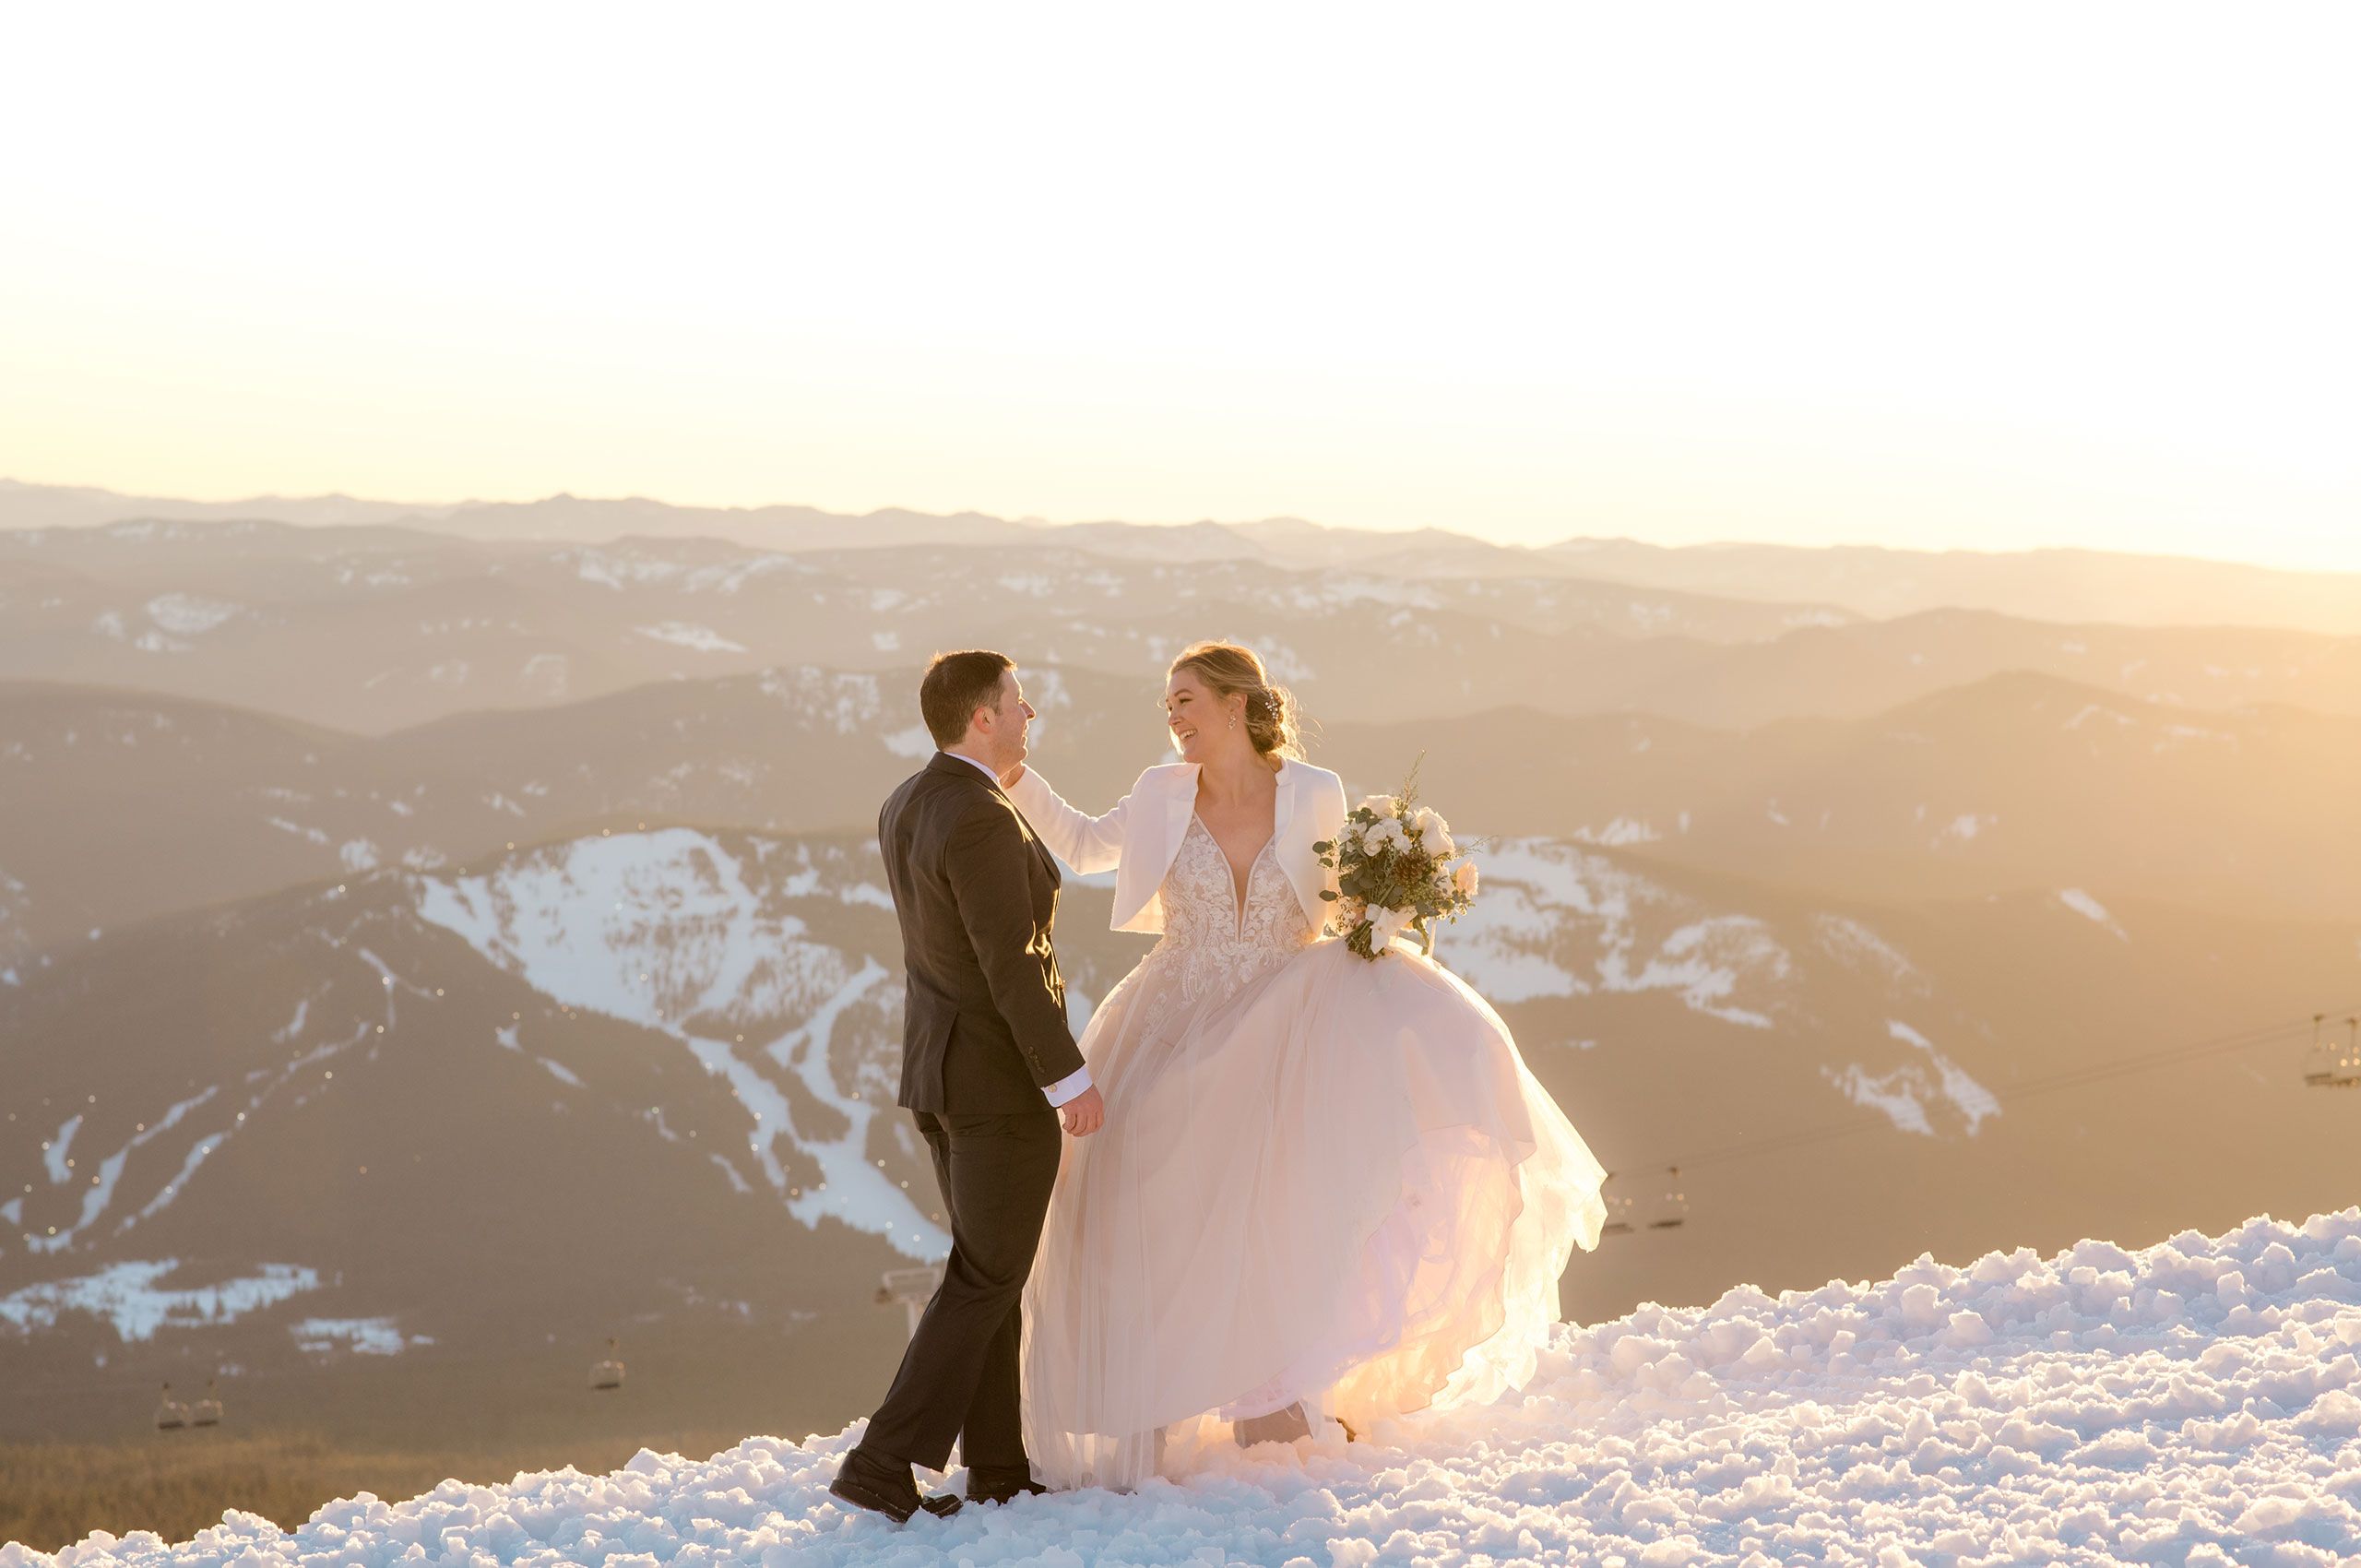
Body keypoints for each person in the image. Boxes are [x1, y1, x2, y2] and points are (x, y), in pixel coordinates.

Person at [1006, 640, 1608, 1491]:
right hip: (1176, 1016)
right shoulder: (1159, 792)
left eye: (1185, 701)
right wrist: (1010, 771)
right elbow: (1080, 844)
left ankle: (1268, 1393)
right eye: (1167, 705)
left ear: (1237, 705)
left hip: (1288, 1018)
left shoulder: (1315, 793)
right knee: (1152, 1195)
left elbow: (1344, 904)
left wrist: (1393, 906)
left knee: (1279, 1205)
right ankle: (1163, 1390)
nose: (1172, 718)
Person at [830, 649, 1105, 1523]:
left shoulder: (905, 801)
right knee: (986, 1276)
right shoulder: (980, 816)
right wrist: (1066, 1076)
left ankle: (997, 1466)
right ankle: (880, 1460)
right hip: (994, 1085)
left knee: (988, 1270)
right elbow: (1011, 963)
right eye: (1021, 705)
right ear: (983, 717)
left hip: (936, 1073)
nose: (1031, 718)